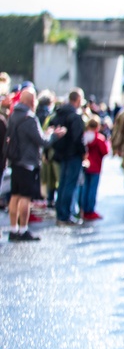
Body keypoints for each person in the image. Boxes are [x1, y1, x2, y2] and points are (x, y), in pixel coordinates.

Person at [5, 89, 65, 240]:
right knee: (25, 197)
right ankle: (23, 229)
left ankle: (13, 229)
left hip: (15, 160)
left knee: (15, 196)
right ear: (31, 101)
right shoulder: (29, 118)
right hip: (28, 162)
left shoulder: (13, 115)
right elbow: (42, 141)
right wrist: (53, 135)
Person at [49, 88, 86, 225]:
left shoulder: (59, 113)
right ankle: (65, 215)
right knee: (69, 185)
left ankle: (61, 213)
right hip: (73, 154)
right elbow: (78, 138)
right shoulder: (74, 116)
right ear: (77, 100)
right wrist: (83, 152)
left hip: (61, 153)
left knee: (63, 184)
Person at [80, 118, 109, 220]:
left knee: (85, 188)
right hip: (95, 166)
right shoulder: (99, 138)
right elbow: (105, 151)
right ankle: (90, 210)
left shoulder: (84, 136)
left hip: (85, 164)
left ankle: (83, 209)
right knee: (92, 189)